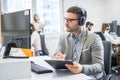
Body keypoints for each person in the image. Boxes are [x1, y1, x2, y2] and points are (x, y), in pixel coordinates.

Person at [53, 6, 104, 80]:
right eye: (65, 19)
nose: (66, 23)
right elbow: (54, 56)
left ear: (81, 21)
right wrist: (57, 59)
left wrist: (82, 68)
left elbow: (100, 66)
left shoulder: (94, 38)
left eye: (69, 20)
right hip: (70, 75)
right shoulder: (63, 37)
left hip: (89, 75)